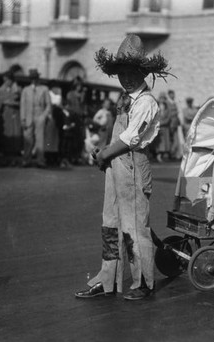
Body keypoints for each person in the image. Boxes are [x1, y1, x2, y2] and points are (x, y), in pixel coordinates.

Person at [75, 33, 172, 300]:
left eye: (132, 73)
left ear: (143, 73)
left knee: (134, 226)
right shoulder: (124, 98)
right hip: (115, 164)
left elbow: (130, 139)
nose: (126, 78)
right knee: (110, 223)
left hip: (133, 165)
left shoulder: (146, 103)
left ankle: (144, 282)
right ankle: (107, 280)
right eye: (121, 73)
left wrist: (105, 153)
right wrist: (103, 154)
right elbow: (118, 135)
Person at [20, 68, 51, 168]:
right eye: (32, 78)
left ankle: (40, 161)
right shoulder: (26, 90)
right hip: (28, 116)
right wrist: (23, 119)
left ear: (38, 78)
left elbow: (49, 105)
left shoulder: (44, 89)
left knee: (40, 139)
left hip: (39, 115)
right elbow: (23, 105)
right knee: (27, 139)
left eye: (35, 78)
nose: (34, 80)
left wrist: (44, 116)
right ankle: (26, 160)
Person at [0, 70, 22, 158]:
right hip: (6, 114)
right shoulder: (0, 90)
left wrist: (14, 103)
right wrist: (4, 102)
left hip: (16, 114)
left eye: (8, 80)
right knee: (7, 133)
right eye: (5, 80)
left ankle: (16, 153)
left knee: (16, 133)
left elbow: (23, 102)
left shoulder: (18, 89)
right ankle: (7, 154)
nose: (6, 82)